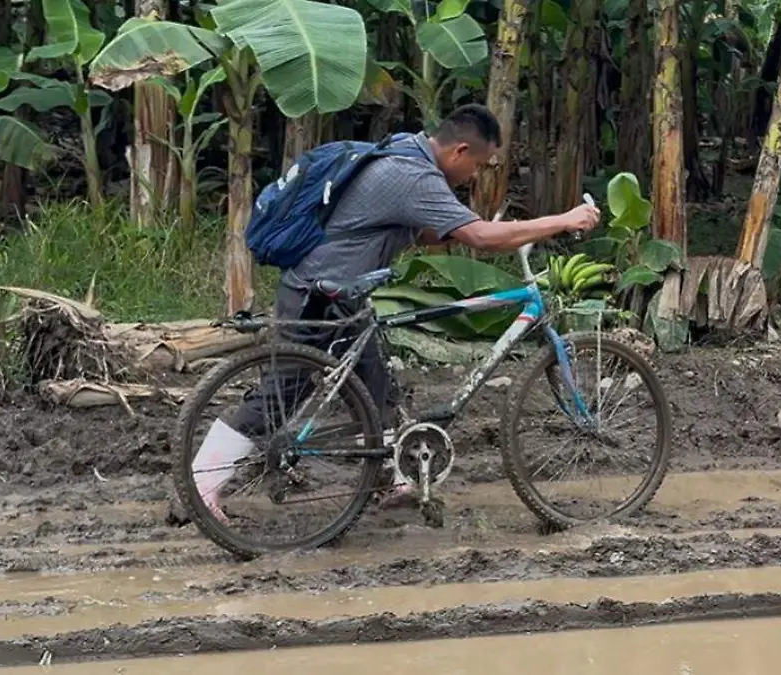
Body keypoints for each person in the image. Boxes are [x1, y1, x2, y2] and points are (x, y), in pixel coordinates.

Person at [191, 104, 602, 523]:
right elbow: (480, 237)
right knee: (279, 395)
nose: (476, 176)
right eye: (478, 165)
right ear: (459, 151)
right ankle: (198, 487)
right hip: (321, 295)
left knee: (377, 387)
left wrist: (459, 226)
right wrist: (561, 220)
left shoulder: (404, 149)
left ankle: (393, 478)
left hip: (341, 292)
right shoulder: (414, 177)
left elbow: (417, 228)